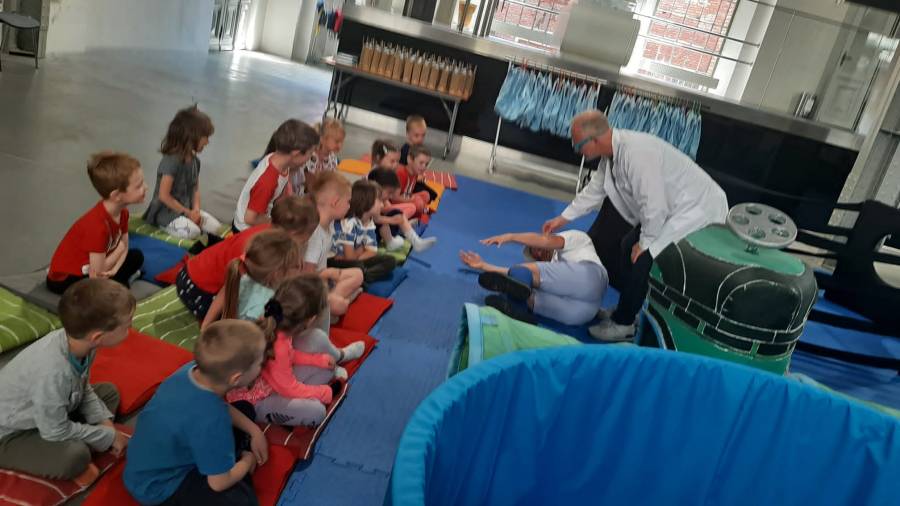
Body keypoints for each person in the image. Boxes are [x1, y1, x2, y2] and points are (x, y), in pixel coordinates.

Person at [543, 110, 728, 342]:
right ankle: (628, 309)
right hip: (671, 208)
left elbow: (654, 205)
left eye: (578, 144)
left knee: (642, 258)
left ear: (595, 139)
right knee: (627, 246)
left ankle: (624, 324)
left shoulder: (637, 154)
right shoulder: (611, 155)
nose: (577, 149)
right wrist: (563, 218)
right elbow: (596, 189)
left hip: (697, 209)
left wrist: (646, 243)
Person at [0, 279, 132, 482]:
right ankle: (78, 454)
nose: (130, 329)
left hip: (46, 412)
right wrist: (109, 435)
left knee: (109, 392)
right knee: (75, 456)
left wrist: (105, 424)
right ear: (97, 336)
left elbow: (83, 387)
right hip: (11, 433)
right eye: (127, 325)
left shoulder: (81, 344)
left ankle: (85, 440)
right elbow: (55, 431)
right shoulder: (53, 371)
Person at [124, 320, 268, 506]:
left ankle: (223, 458)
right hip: (160, 487)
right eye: (259, 364)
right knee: (243, 500)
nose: (262, 367)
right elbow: (218, 483)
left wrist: (254, 431)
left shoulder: (190, 371)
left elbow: (215, 406)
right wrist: (247, 462)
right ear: (236, 378)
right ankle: (228, 459)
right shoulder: (212, 419)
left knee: (244, 409)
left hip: (146, 465)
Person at [226, 275, 349, 427]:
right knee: (317, 412)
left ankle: (298, 406)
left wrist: (318, 360)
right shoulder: (279, 344)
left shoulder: (276, 325)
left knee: (326, 370)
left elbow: (290, 356)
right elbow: (288, 388)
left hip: (272, 384)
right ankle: (287, 414)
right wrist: (325, 392)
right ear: (311, 319)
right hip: (256, 401)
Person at [177, 196, 318, 322]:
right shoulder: (258, 249)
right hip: (195, 287)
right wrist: (207, 325)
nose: (307, 242)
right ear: (292, 233)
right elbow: (228, 289)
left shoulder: (272, 234)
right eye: (306, 238)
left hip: (196, 274)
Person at [47, 151, 147, 295]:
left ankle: (115, 281)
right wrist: (118, 250)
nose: (146, 187)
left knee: (137, 256)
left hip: (99, 266)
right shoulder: (97, 227)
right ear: (117, 195)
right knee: (97, 291)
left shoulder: (123, 213)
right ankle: (115, 283)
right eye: (139, 186)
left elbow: (125, 247)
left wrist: (115, 269)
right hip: (65, 279)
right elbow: (96, 275)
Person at [460, 230, 608, 326]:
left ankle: (513, 305)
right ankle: (519, 312)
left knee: (522, 272)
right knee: (530, 295)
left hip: (591, 278)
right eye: (536, 255)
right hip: (582, 314)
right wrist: (484, 266)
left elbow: (544, 241)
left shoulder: (574, 237)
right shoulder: (554, 270)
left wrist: (510, 237)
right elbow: (511, 274)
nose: (539, 253)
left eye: (537, 248)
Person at [143, 106, 223, 244]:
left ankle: (190, 223)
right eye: (205, 137)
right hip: (167, 213)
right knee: (194, 232)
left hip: (188, 210)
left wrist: (196, 210)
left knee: (216, 228)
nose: (207, 142)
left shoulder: (195, 161)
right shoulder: (171, 161)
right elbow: (164, 196)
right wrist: (187, 213)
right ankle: (162, 225)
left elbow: (195, 189)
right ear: (191, 136)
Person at [201, 229, 301, 330]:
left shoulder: (242, 277)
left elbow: (223, 294)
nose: (301, 267)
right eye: (296, 266)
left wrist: (205, 325)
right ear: (277, 274)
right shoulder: (269, 305)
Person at [233, 119, 319, 232]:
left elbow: (283, 189)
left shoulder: (280, 160)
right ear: (296, 154)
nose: (311, 158)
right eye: (310, 153)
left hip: (262, 215)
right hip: (244, 230)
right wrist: (277, 223)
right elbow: (250, 218)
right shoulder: (268, 181)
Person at [305, 172, 364, 317]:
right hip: (311, 285)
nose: (349, 206)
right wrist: (327, 276)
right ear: (335, 202)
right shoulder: (315, 234)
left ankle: (336, 298)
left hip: (322, 278)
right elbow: (307, 276)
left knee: (358, 274)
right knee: (339, 306)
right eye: (348, 202)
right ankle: (332, 304)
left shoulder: (329, 224)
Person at [329, 179, 397, 283]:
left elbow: (372, 251)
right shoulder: (349, 223)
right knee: (358, 266)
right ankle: (360, 276)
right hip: (335, 261)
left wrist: (360, 253)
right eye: (379, 201)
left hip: (351, 260)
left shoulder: (369, 223)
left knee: (390, 260)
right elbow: (350, 258)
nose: (382, 205)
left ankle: (364, 276)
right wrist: (361, 249)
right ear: (366, 201)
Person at [367, 168, 437, 252]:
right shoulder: (371, 201)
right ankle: (391, 241)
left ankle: (414, 240)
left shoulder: (378, 198)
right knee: (398, 214)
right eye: (389, 193)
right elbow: (376, 219)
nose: (390, 196)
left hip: (378, 230)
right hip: (372, 234)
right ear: (378, 188)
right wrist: (392, 220)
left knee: (397, 213)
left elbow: (387, 210)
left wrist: (397, 218)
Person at [291, 118, 345, 196]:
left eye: (342, 142)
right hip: (301, 195)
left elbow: (331, 178)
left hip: (318, 192)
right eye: (336, 141)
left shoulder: (333, 158)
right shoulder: (309, 155)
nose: (340, 145)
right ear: (322, 139)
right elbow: (307, 181)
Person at [395, 145, 437, 215]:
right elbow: (393, 198)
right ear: (410, 160)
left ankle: (420, 209)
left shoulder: (415, 174)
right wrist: (412, 199)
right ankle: (417, 211)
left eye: (426, 164)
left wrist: (412, 198)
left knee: (426, 195)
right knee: (417, 203)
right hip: (395, 202)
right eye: (421, 163)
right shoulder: (401, 173)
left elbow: (408, 193)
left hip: (405, 198)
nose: (424, 167)